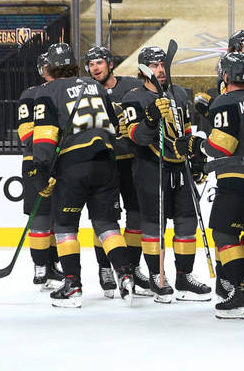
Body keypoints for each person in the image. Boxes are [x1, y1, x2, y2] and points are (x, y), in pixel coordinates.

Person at [175, 51, 244, 320]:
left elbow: (221, 147)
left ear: (225, 75)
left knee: (224, 236)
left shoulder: (225, 101)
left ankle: (239, 294)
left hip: (238, 177)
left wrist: (195, 145)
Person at [30, 42, 134, 307]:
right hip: (106, 161)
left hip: (73, 165)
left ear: (51, 67)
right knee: (107, 225)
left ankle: (73, 286)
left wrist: (42, 171)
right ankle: (125, 275)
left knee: (65, 227)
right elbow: (114, 124)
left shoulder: (48, 91)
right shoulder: (95, 86)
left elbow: (43, 139)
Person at [120, 46, 211, 304]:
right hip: (150, 166)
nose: (161, 69)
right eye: (155, 65)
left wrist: (195, 158)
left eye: (163, 65)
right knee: (153, 224)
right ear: (143, 70)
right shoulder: (133, 98)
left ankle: (184, 276)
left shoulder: (178, 92)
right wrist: (150, 118)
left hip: (179, 165)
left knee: (186, 221)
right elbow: (136, 137)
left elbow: (187, 129)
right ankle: (156, 276)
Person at [84, 45, 148, 297]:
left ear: (110, 63)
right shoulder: (87, 91)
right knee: (103, 219)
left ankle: (131, 268)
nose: (95, 68)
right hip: (103, 164)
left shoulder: (132, 85)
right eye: (91, 64)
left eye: (99, 62)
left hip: (132, 161)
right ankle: (104, 268)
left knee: (136, 218)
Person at [18, 52, 61, 289]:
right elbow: (26, 134)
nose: (50, 69)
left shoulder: (66, 92)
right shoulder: (31, 94)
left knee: (60, 218)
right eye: (47, 66)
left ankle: (54, 265)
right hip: (36, 161)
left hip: (64, 163)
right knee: (42, 217)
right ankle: (40, 266)